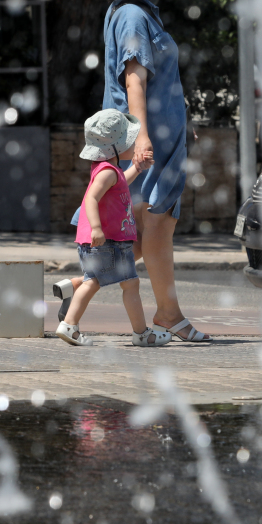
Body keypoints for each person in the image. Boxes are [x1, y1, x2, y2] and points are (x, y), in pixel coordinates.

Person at [53, 0, 212, 344]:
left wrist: (181, 121)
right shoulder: (133, 16)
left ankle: (82, 283)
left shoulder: (132, 12)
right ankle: (169, 314)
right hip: (148, 145)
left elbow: (156, 81)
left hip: (154, 139)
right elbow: (134, 81)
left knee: (137, 232)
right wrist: (143, 137)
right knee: (158, 226)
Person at [55, 109, 169, 347]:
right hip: (109, 241)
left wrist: (137, 168)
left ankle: (70, 325)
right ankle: (141, 334)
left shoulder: (107, 169)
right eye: (128, 140)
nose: (133, 144)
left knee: (92, 281)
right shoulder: (107, 171)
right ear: (114, 147)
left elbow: (119, 185)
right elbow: (91, 199)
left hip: (103, 240)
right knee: (128, 284)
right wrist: (97, 228)